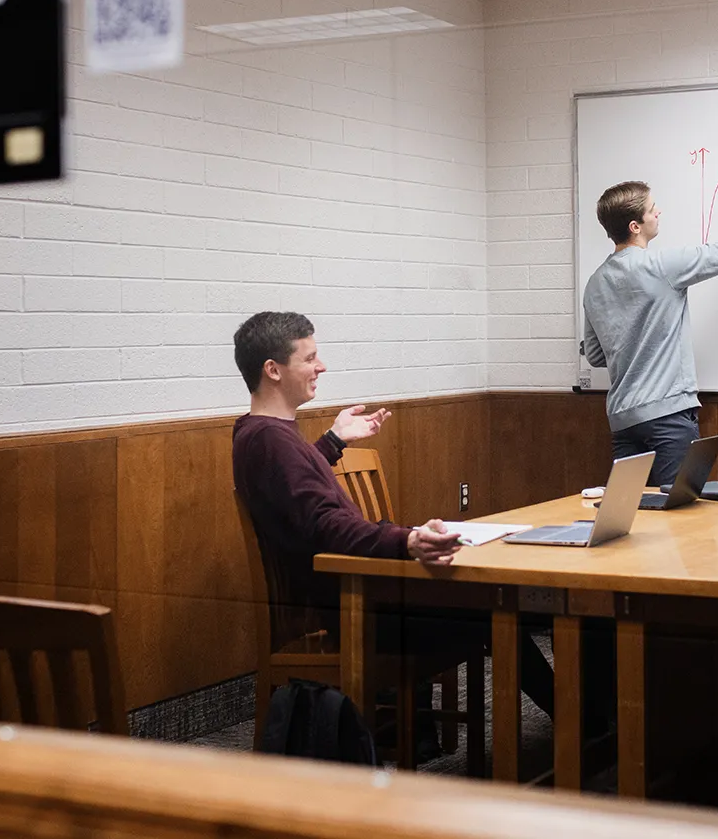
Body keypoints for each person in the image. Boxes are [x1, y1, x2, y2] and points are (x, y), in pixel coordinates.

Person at [230, 311, 557, 746]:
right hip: (355, 611)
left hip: (359, 597)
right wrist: (408, 540)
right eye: (309, 358)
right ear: (273, 370)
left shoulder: (267, 435)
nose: (321, 366)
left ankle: (584, 720)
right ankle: (584, 725)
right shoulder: (268, 440)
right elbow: (326, 525)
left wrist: (333, 441)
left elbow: (297, 488)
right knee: (495, 611)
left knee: (492, 605)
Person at [582, 160, 718, 491]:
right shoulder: (662, 266)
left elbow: (595, 356)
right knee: (681, 511)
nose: (659, 212)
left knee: (629, 509)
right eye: (652, 209)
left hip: (623, 420)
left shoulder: (595, 284)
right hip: (668, 417)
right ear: (635, 226)